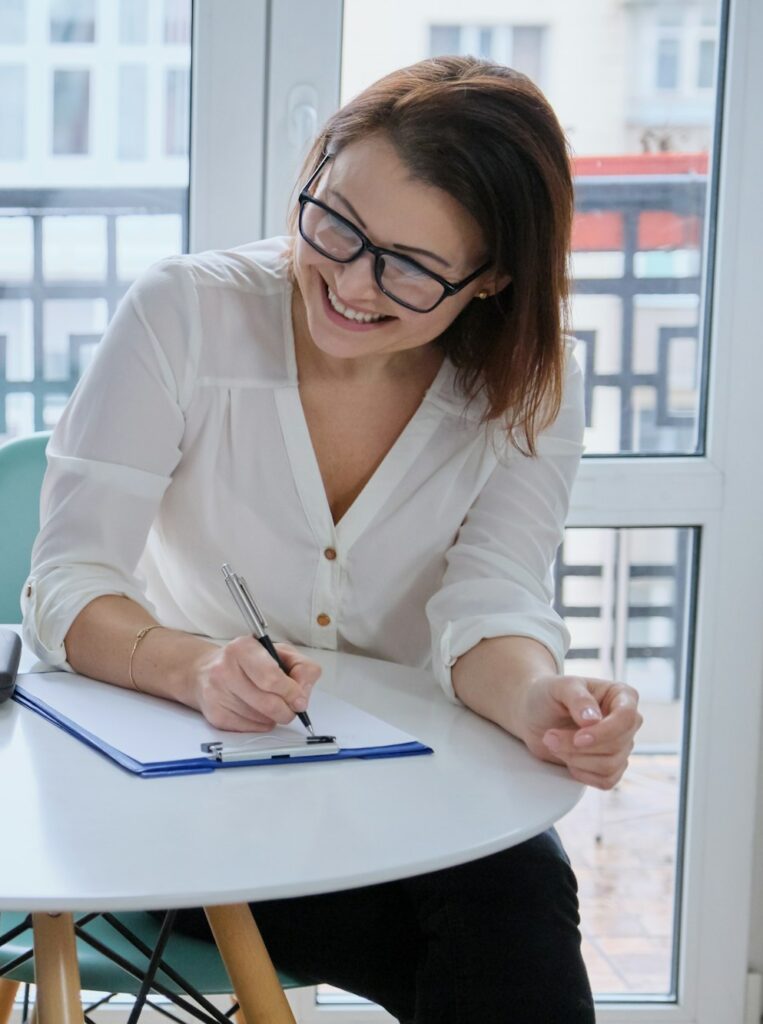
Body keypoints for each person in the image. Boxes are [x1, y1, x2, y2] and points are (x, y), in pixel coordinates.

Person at [22, 56, 642, 1023]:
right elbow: (67, 580)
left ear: (493, 280)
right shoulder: (184, 314)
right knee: (493, 936)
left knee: (511, 903)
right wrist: (193, 668)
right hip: (181, 786)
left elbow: (490, 600)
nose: (349, 281)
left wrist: (536, 698)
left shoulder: (532, 380)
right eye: (334, 223)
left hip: (400, 791)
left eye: (410, 265)